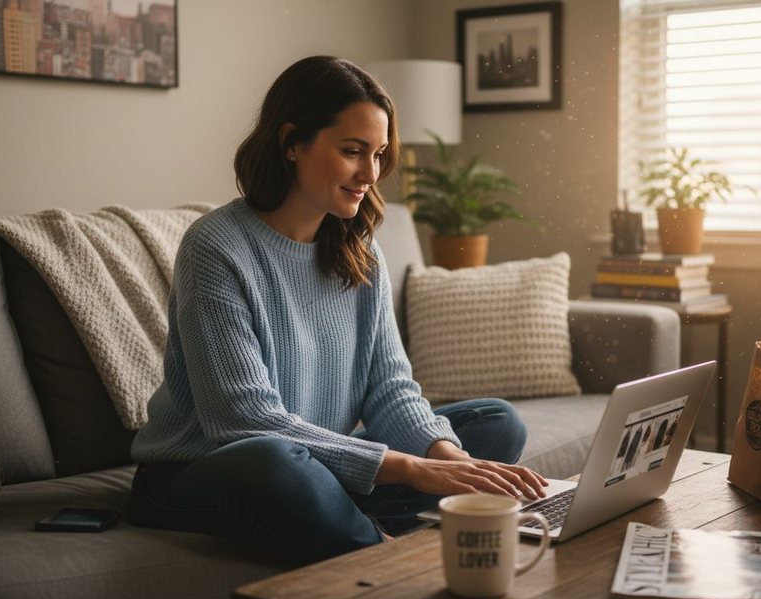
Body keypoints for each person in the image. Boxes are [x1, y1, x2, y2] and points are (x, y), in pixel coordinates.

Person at [129, 56, 547, 564]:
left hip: (315, 464)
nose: (371, 173)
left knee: (494, 423)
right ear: (291, 142)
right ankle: (389, 561)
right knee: (278, 460)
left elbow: (389, 388)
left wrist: (451, 463)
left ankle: (338, 520)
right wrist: (414, 471)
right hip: (206, 471)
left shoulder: (359, 247)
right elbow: (244, 423)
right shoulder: (216, 247)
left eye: (379, 154)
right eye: (353, 151)